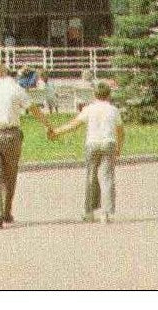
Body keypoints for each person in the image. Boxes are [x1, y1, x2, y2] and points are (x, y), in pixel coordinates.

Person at [0, 59, 49, 229]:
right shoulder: (15, 88)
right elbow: (33, 109)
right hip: (11, 135)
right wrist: (48, 125)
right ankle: (7, 211)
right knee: (10, 175)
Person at [48, 80, 124, 223]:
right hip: (109, 143)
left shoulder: (89, 109)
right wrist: (119, 147)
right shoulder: (113, 110)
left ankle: (89, 211)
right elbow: (120, 131)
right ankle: (106, 213)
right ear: (109, 95)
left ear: (94, 95)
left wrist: (56, 132)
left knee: (91, 177)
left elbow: (74, 125)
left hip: (92, 143)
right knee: (107, 177)